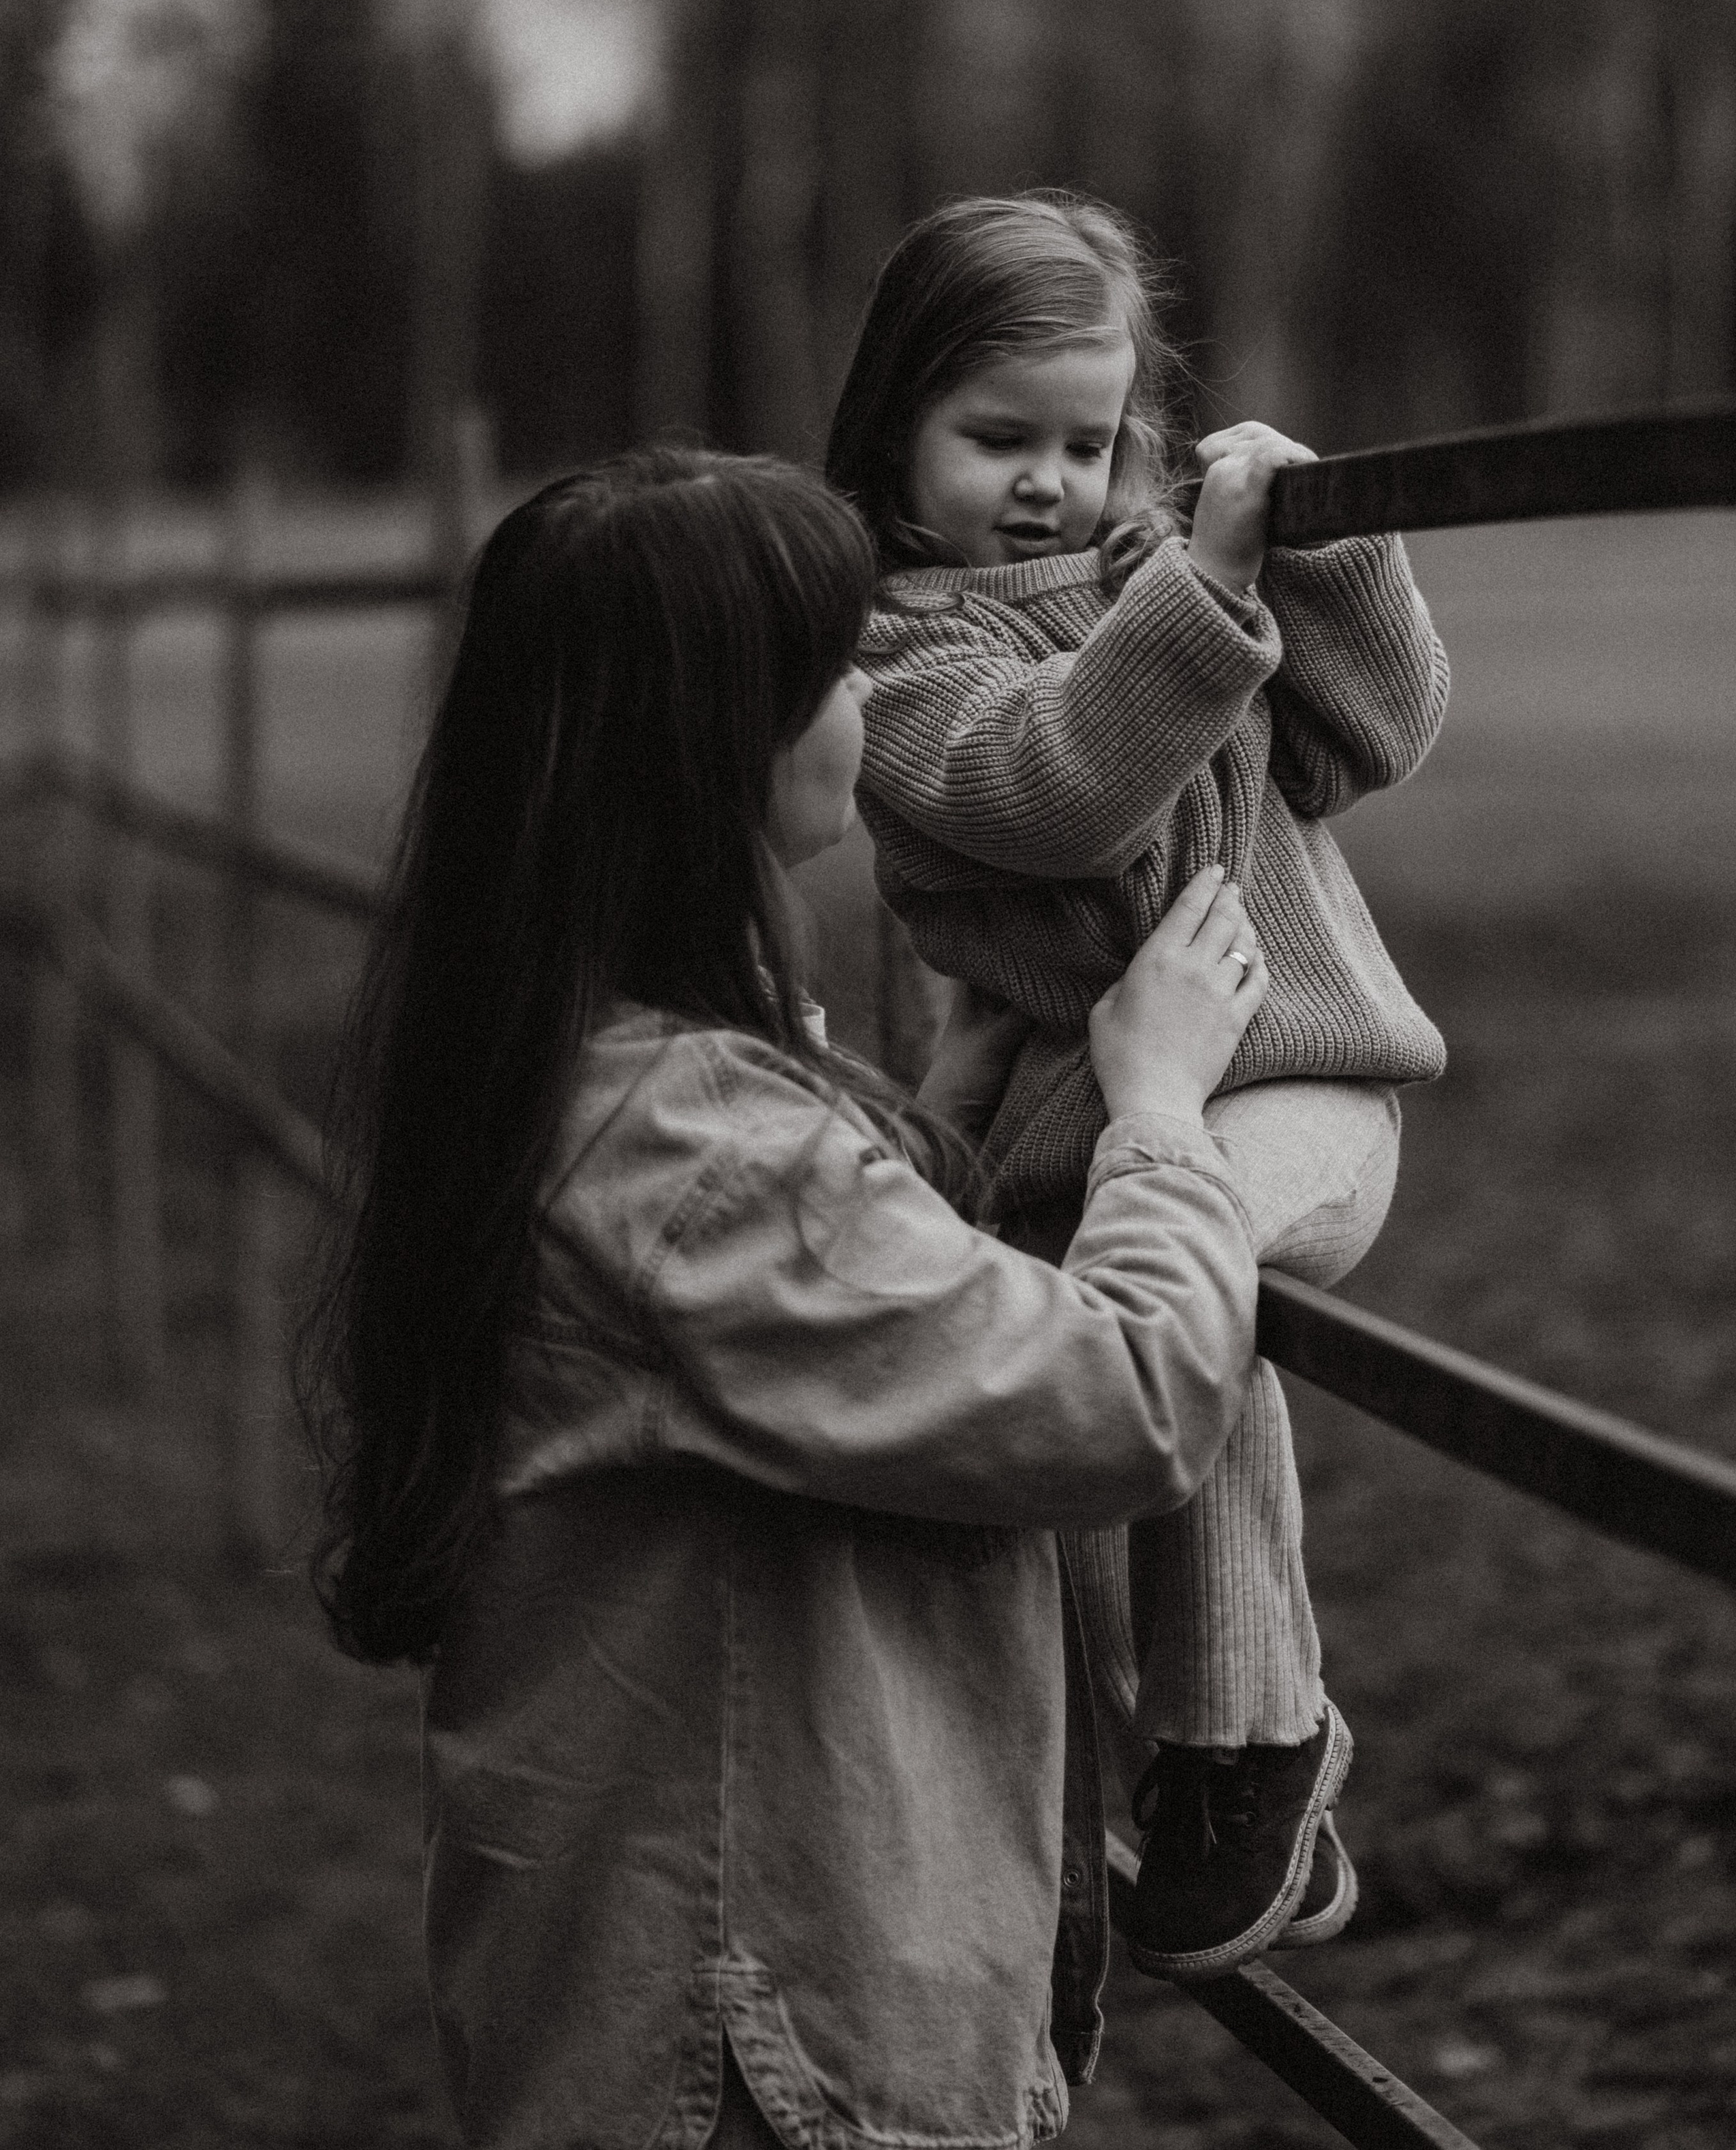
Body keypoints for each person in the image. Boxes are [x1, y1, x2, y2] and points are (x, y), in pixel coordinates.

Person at [298, 445, 1276, 2150]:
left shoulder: (561, 1066)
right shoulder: (694, 1152)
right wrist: (1159, 1111)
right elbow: (1122, 1397)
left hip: (673, 1998)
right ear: (713, 749)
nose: (869, 702)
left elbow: (835, 1329)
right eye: (836, 670)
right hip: (763, 2040)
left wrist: (955, 1102)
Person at [825, 192, 1451, 1980]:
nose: (1048, 480)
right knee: (1073, 1413)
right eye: (996, 434)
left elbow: (1379, 738)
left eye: (1087, 441)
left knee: (1189, 1293)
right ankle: (1155, 1768)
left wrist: (1326, 549)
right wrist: (1210, 586)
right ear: (894, 431)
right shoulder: (895, 658)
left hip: (1301, 1090)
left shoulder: (1167, 569)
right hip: (1090, 1125)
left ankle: (1250, 1745)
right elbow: (1058, 786)